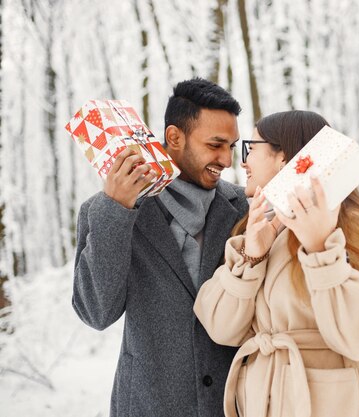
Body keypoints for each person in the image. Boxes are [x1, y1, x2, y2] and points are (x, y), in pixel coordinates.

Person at [194, 110, 359, 417]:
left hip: (335, 403)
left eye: (251, 149)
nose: (242, 162)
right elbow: (220, 328)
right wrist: (253, 256)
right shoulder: (257, 229)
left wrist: (320, 248)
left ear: (285, 158)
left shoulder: (351, 226)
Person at [72, 78, 248, 417]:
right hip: (148, 405)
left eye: (231, 145)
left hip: (231, 406)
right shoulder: (104, 210)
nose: (227, 159)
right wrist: (117, 211)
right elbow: (96, 313)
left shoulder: (243, 207)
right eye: (215, 144)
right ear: (174, 138)